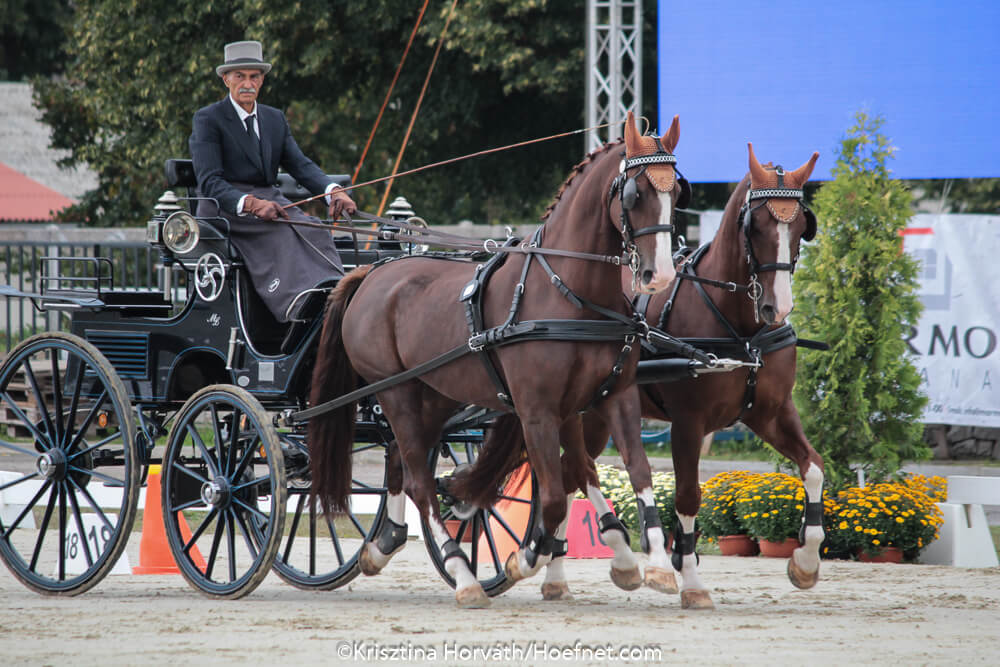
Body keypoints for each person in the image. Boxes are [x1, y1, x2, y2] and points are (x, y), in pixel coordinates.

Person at [189, 40, 356, 324]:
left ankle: (335, 296)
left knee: (314, 228)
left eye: (254, 76)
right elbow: (209, 181)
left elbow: (300, 164)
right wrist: (251, 204)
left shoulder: (274, 119)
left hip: (270, 200)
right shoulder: (209, 119)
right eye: (239, 76)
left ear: (262, 80)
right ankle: (296, 303)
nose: (247, 83)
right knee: (281, 233)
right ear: (225, 79)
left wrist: (333, 192)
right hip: (226, 207)